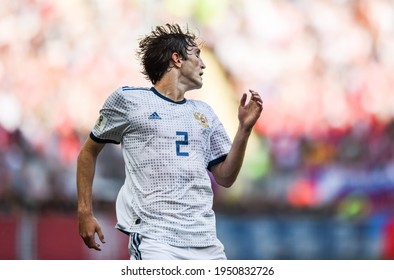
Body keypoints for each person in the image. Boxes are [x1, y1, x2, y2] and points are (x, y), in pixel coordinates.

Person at [76, 23, 263, 260]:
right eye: (196, 55)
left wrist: (244, 130)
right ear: (176, 58)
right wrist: (84, 211)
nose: (203, 64)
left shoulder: (205, 113)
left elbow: (225, 177)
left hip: (205, 241)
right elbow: (88, 153)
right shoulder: (128, 100)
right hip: (156, 241)